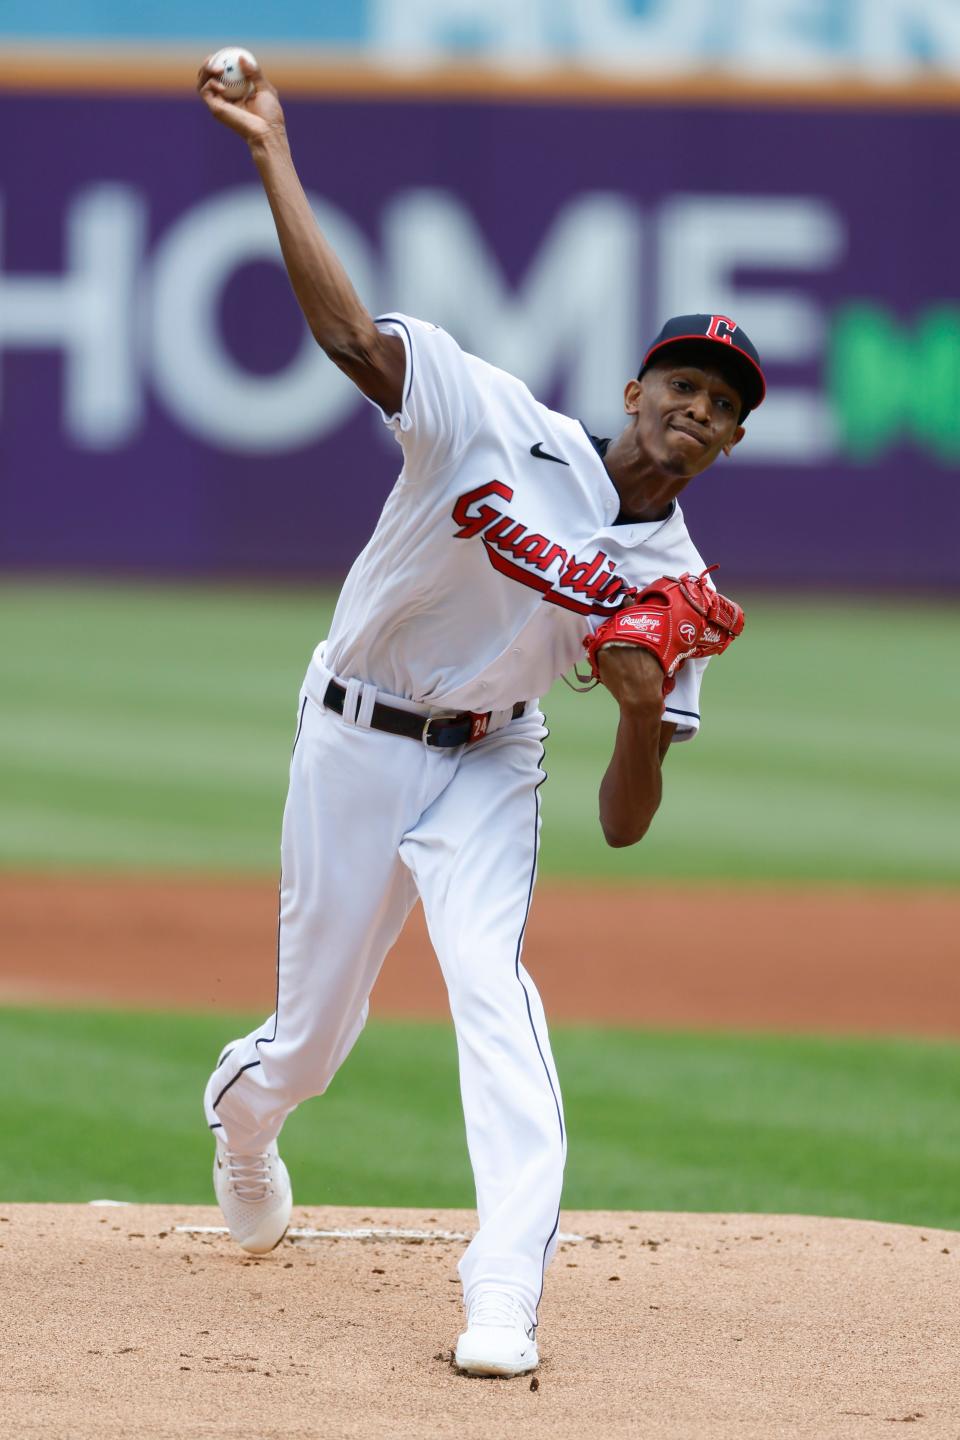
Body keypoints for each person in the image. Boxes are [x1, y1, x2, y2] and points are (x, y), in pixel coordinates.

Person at [196, 55, 765, 1379]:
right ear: (634, 392)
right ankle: (244, 1125)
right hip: (354, 726)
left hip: (494, 762)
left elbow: (627, 825)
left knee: (492, 996)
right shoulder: (490, 421)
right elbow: (349, 340)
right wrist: (273, 148)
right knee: (311, 1040)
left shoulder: (679, 595)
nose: (697, 409)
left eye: (723, 407)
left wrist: (635, 717)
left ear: (730, 447)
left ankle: (502, 1291)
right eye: (682, 384)